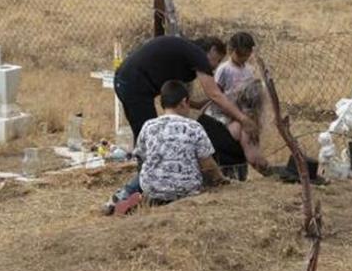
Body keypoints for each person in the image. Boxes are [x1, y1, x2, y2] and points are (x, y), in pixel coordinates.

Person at [106, 35, 256, 213]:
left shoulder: (184, 53)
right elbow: (215, 93)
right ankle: (127, 195)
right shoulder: (197, 55)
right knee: (152, 152)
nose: (214, 67)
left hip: (128, 82)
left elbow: (173, 95)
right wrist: (243, 119)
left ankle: (143, 191)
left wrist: (198, 104)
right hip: (133, 85)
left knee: (152, 147)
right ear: (212, 50)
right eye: (217, 60)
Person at [130, 80, 228, 207]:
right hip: (187, 191)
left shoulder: (148, 126)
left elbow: (141, 157)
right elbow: (207, 165)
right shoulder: (194, 127)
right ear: (183, 102)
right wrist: (221, 180)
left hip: (153, 191)